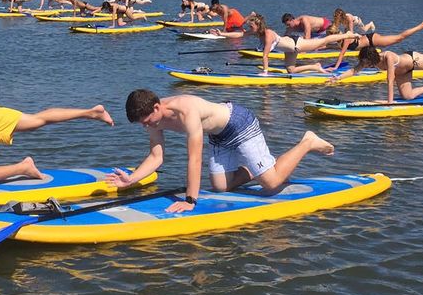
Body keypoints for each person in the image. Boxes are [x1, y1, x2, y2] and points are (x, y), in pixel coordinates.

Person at [104, 90, 334, 213]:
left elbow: (194, 159)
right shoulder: (153, 120)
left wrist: (190, 201)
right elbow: (157, 157)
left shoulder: (186, 109)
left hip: (240, 123)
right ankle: (257, 167)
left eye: (147, 121)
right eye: (142, 124)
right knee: (221, 187)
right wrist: (131, 179)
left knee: (272, 184)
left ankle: (307, 142)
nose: (146, 126)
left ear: (156, 107)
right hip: (218, 135)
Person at [249, 13, 359, 73]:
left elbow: (265, 56)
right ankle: (315, 67)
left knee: (323, 41)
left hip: (297, 44)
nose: (249, 28)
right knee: (291, 70)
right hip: (289, 49)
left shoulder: (268, 34)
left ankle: (348, 35)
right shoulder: (260, 33)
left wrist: (265, 72)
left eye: (251, 26)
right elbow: (241, 34)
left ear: (258, 26)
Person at [328, 21, 423, 77]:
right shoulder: (339, 41)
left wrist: (335, 68)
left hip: (372, 40)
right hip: (369, 46)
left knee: (399, 38)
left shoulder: (345, 39)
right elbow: (330, 46)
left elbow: (342, 54)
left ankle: (421, 26)